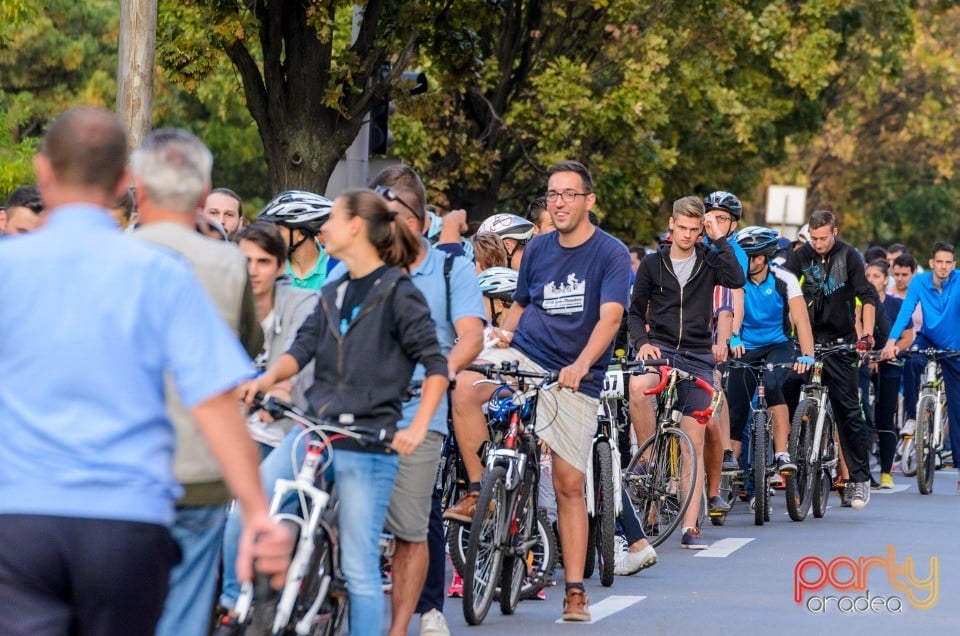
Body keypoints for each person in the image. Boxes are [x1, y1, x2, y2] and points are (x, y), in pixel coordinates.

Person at [0, 107, 290, 636]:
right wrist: (256, 512)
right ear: (123, 183)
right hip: (126, 521)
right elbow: (215, 402)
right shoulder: (162, 276)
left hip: (18, 518)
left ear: (43, 172)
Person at [238, 188, 450, 635]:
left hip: (367, 443)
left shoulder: (399, 292)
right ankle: (238, 607)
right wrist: (263, 379)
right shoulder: (333, 290)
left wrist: (412, 429)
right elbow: (301, 348)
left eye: (332, 218)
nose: (324, 227)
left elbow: (436, 366)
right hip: (314, 432)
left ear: (355, 227)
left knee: (359, 570)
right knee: (250, 504)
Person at [446, 160, 632, 622]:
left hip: (576, 371)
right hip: (526, 354)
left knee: (570, 484)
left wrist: (580, 365)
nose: (561, 202)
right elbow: (521, 306)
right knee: (465, 385)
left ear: (589, 200)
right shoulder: (538, 249)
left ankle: (573, 592)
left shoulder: (609, 253)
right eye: (553, 194)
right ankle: (477, 488)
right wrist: (504, 335)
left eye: (570, 194)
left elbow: (610, 319)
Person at [129, 128, 266, 636]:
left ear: (137, 188)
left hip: (126, 466)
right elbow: (243, 351)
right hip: (199, 463)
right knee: (185, 609)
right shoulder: (227, 262)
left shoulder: (114, 253)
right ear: (202, 189)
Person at [362, 174, 485, 636]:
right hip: (359, 404)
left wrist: (440, 374)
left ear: (415, 222)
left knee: (416, 518)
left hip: (420, 406)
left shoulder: (450, 270)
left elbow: (470, 336)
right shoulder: (359, 262)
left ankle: (415, 617)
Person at [628, 196, 745, 549]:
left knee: (693, 438)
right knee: (637, 386)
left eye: (696, 230)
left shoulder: (710, 260)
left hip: (697, 355)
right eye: (683, 228)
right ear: (671, 224)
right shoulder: (652, 263)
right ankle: (647, 460)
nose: (688, 235)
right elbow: (634, 313)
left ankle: (690, 526)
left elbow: (737, 277)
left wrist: (717, 238)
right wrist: (642, 343)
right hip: (660, 350)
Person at [784, 209, 878, 510]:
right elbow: (784, 291)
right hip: (809, 343)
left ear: (834, 232)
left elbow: (867, 295)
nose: (818, 243)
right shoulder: (800, 257)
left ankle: (859, 480)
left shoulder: (849, 256)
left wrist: (867, 336)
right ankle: (786, 460)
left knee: (849, 411)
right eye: (813, 238)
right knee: (785, 391)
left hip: (841, 344)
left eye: (823, 238)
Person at [727, 227, 815, 486]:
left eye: (750, 257)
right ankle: (728, 476)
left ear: (762, 258)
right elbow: (735, 311)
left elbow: (801, 321)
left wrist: (807, 355)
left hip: (779, 345)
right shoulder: (737, 280)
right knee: (737, 407)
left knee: (774, 384)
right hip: (747, 345)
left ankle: (780, 453)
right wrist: (733, 336)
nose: (745, 262)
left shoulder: (783, 279)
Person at [234, 222, 319, 456]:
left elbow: (302, 354)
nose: (252, 270)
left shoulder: (303, 302)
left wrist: (281, 388)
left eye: (263, 262)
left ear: (281, 267)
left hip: (285, 432)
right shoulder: (222, 303)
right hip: (231, 430)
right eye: (245, 261)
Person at [881, 241, 960, 491]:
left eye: (948, 262)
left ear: (953, 264)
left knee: (958, 407)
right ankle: (915, 417)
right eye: (940, 262)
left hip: (956, 344)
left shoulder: (959, 281)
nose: (944, 267)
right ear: (931, 263)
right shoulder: (920, 282)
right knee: (912, 362)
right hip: (927, 337)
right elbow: (905, 313)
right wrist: (891, 342)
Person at [862, 259, 912, 489]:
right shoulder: (859, 302)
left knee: (885, 418)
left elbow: (908, 337)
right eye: (868, 275)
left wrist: (891, 350)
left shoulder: (896, 304)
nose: (871, 280)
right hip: (863, 362)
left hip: (889, 363)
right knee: (860, 415)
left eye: (876, 276)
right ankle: (863, 472)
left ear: (885, 279)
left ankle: (885, 472)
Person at [257, 190, 335, 290]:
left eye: (278, 230)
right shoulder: (273, 267)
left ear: (300, 235)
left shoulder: (337, 265)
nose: (272, 234)